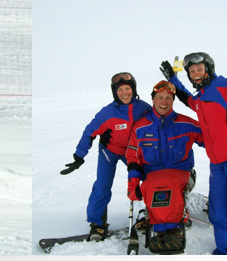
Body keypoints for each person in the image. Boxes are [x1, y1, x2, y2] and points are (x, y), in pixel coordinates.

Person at [60, 72, 152, 241]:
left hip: (133, 151)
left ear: (134, 89)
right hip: (109, 151)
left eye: (128, 88)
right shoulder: (107, 113)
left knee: (149, 179)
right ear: (114, 93)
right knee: (102, 185)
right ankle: (97, 223)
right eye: (120, 90)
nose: (125, 93)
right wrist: (79, 156)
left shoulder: (144, 108)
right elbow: (89, 132)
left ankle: (153, 214)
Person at [125, 80, 203, 253]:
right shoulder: (140, 128)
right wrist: (133, 184)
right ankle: (161, 229)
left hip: (182, 175)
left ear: (173, 100)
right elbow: (132, 157)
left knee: (169, 185)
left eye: (168, 98)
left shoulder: (186, 124)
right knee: (154, 185)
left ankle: (172, 229)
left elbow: (209, 139)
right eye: (160, 97)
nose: (164, 102)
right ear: (153, 100)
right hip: (152, 178)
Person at [160, 52, 227, 255]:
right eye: (192, 71)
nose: (196, 73)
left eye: (199, 69)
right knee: (218, 211)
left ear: (209, 69)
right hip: (216, 162)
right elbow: (186, 98)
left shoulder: (223, 87)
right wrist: (173, 79)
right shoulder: (201, 99)